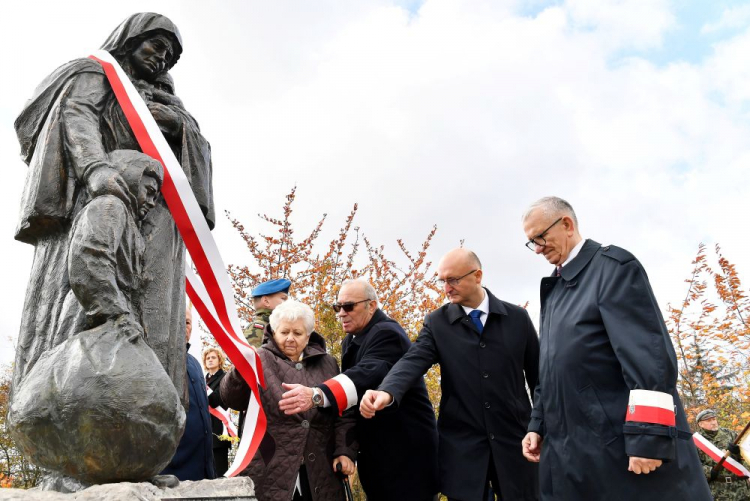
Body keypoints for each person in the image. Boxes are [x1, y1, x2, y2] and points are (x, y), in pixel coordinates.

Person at [13, 13, 214, 409]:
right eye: (156, 45)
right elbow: (77, 117)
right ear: (129, 39)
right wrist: (95, 168)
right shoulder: (96, 74)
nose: (161, 58)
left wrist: (178, 125)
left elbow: (196, 156)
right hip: (105, 198)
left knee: (157, 318)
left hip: (159, 217)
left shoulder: (169, 100)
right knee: (87, 300)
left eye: (170, 56)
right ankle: (75, 417)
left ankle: (150, 427)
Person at [519, 196, 711, 500]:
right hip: (570, 457)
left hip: (620, 452)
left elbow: (650, 360)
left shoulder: (613, 269)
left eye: (540, 237)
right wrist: (537, 425)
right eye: (532, 242)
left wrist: (648, 438)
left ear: (566, 224)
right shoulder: (554, 291)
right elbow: (552, 370)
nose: (538, 248)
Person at [360, 252, 540, 501]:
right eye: (442, 280)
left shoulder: (518, 319)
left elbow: (539, 378)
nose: (446, 288)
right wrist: (386, 391)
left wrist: (538, 426)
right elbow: (413, 361)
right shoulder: (437, 323)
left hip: (516, 443)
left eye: (453, 280)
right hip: (463, 449)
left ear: (478, 275)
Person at [279, 279, 439, 501]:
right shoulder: (351, 341)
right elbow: (351, 401)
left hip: (406, 458)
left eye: (348, 306)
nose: (341, 313)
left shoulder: (387, 333)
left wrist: (317, 394)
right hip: (378, 456)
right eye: (338, 307)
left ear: (371, 305)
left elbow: (366, 374)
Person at [220, 300, 356, 501]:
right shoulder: (259, 358)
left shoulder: (327, 363)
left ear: (308, 336)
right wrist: (239, 370)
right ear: (274, 332)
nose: (290, 339)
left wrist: (345, 451)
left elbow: (344, 411)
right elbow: (231, 399)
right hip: (270, 468)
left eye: (297, 333)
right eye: (284, 332)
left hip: (321, 470)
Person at [57, 149, 162, 342]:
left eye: (155, 197)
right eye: (149, 192)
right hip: (97, 317)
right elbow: (89, 263)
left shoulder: (127, 218)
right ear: (131, 179)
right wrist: (118, 316)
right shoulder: (110, 206)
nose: (152, 203)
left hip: (113, 316)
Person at [162, 307, 216, 481]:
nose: (183, 327)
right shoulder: (158, 359)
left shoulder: (195, 364)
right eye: (177, 321)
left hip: (202, 467)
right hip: (172, 468)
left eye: (187, 322)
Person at [695, 409, 750, 500]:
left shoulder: (730, 434)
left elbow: (745, 457)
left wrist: (737, 452)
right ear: (700, 424)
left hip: (740, 488)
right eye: (708, 421)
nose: (713, 422)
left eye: (714, 419)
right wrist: (708, 471)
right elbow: (693, 464)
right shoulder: (696, 441)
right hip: (718, 489)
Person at [204, 347, 231, 476]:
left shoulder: (226, 378)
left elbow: (216, 400)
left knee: (219, 473)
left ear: (219, 360)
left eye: (213, 357)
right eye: (207, 358)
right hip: (203, 432)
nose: (210, 360)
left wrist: (203, 389)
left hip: (218, 432)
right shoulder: (203, 380)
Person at [243, 278, 291, 347]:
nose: (287, 303)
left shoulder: (274, 326)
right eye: (283, 298)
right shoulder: (259, 328)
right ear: (266, 301)